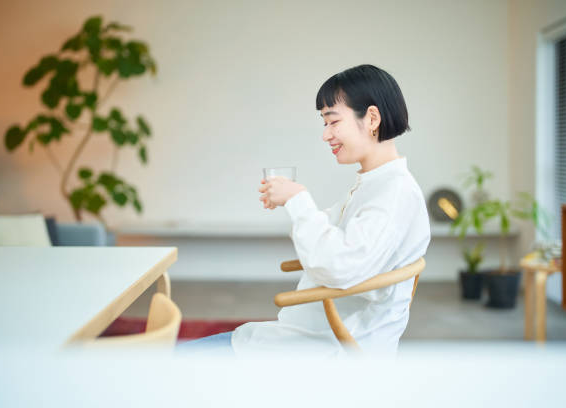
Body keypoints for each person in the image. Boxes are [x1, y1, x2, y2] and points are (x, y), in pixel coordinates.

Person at [177, 64, 431, 357]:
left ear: (372, 118)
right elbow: (329, 231)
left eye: (333, 122)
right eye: (324, 123)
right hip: (307, 339)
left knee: (167, 364)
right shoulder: (377, 184)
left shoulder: (394, 194)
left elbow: (337, 266)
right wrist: (293, 200)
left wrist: (298, 198)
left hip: (324, 351)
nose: (326, 135)